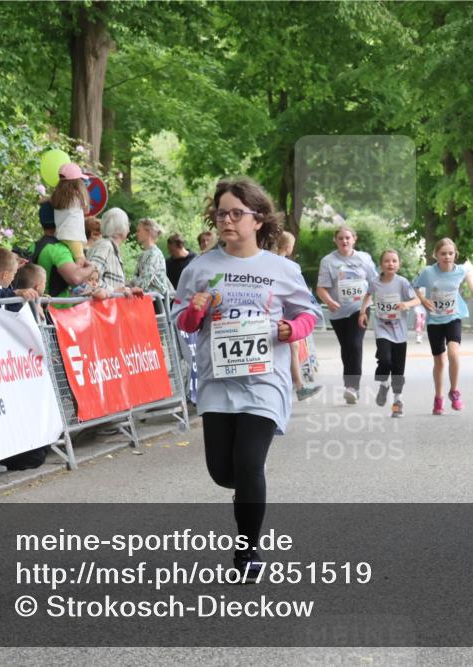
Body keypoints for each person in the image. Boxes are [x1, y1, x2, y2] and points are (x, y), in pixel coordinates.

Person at [170, 177, 320, 577]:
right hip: (217, 381)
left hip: (265, 380)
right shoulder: (200, 268)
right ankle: (246, 495)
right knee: (224, 472)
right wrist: (195, 310)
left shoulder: (281, 269)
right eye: (221, 213)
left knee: (250, 464)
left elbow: (309, 313)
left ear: (258, 219)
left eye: (237, 213)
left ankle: (248, 552)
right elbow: (183, 322)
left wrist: (292, 329)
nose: (227, 220)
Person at [414, 238, 473, 415]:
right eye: (443, 254)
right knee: (439, 361)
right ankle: (438, 398)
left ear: (455, 254)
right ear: (436, 255)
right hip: (435, 321)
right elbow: (415, 286)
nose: (447, 257)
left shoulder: (459, 270)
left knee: (453, 353)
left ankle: (454, 391)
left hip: (453, 317)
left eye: (450, 253)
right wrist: (423, 299)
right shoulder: (428, 272)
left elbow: (466, 273)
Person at [316, 225, 378, 404]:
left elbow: (374, 282)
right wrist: (329, 301)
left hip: (360, 308)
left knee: (355, 344)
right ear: (335, 240)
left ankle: (352, 387)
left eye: (347, 238)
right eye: (341, 238)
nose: (344, 241)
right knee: (346, 347)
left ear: (354, 239)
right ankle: (350, 385)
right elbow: (321, 288)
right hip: (338, 312)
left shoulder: (364, 258)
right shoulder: (328, 261)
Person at [358, 249, 420, 418]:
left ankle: (397, 401)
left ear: (399, 264)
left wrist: (407, 304)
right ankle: (384, 383)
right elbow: (368, 295)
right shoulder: (375, 282)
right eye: (387, 261)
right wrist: (362, 312)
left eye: (394, 261)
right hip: (382, 328)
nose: (390, 264)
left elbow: (417, 299)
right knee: (385, 359)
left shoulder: (402, 282)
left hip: (399, 330)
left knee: (398, 369)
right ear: (381, 264)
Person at [273, 230, 321, 401]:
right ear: (288, 247)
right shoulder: (289, 266)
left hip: (277, 314)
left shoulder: (266, 262)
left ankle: (298, 384)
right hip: (283, 315)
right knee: (291, 347)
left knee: (291, 347)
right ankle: (297, 386)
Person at [51, 163, 90, 264]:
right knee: (80, 261)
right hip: (74, 236)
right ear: (77, 182)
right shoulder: (77, 196)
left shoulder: (57, 197)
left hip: (61, 235)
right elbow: (87, 210)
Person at [87, 207, 130, 291]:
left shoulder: (111, 248)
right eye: (127, 224)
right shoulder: (105, 247)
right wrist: (114, 291)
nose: (129, 229)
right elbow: (90, 278)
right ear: (121, 227)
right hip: (104, 300)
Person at [129, 217, 170, 295]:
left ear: (148, 232)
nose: (136, 234)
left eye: (139, 231)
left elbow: (143, 284)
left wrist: (133, 280)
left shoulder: (154, 254)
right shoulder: (144, 254)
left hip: (156, 300)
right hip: (146, 297)